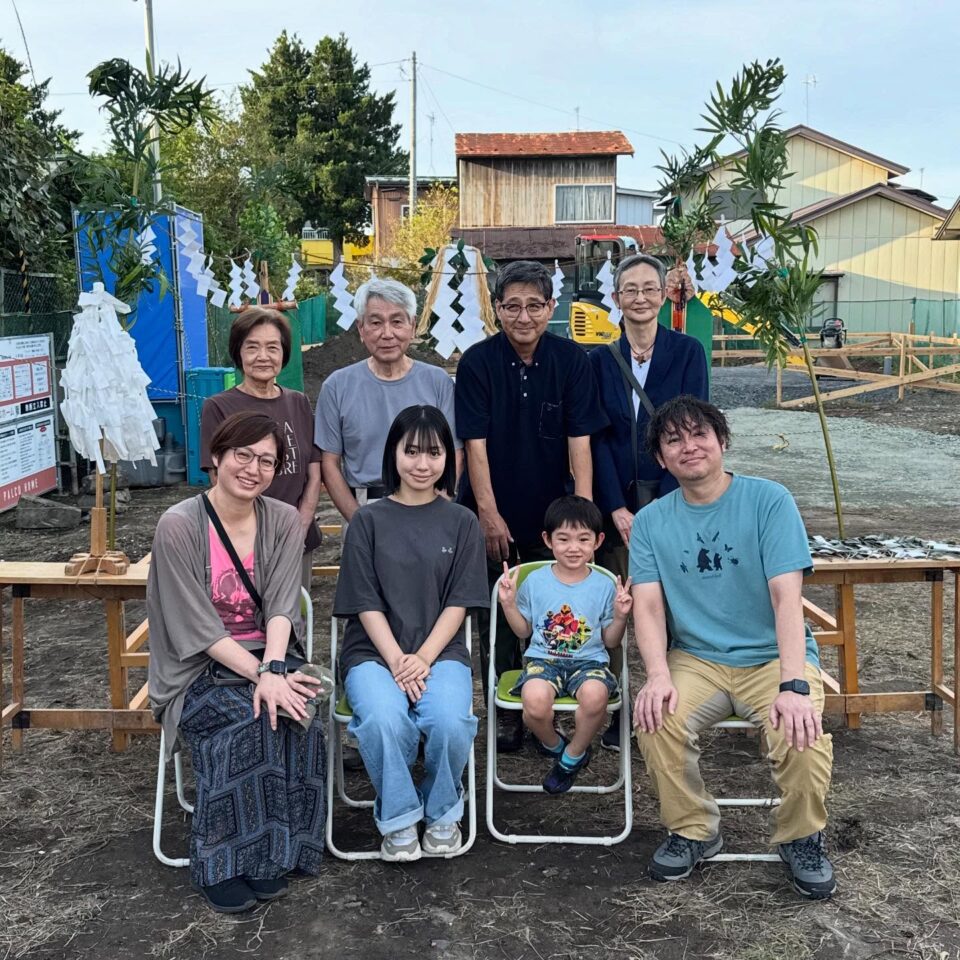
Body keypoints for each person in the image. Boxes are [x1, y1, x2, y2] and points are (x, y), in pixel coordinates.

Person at [629, 396, 835, 899]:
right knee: (657, 718)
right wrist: (656, 675)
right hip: (697, 659)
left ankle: (801, 836)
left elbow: (787, 597)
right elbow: (648, 607)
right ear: (661, 458)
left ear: (721, 441)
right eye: (672, 440)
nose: (688, 446)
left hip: (771, 657)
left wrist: (793, 682)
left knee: (800, 724)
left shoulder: (769, 500)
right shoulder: (651, 522)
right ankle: (693, 829)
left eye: (699, 434)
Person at [148, 412, 328, 913]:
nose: (253, 468)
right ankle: (221, 865)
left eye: (266, 460)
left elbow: (281, 607)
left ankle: (280, 852)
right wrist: (262, 678)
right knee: (247, 722)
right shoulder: (179, 525)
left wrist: (273, 670)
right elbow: (197, 629)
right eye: (243, 455)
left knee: (304, 716)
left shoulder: (284, 520)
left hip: (265, 656)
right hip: (196, 669)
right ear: (218, 457)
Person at [456, 260, 608, 752]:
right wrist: (487, 512)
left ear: (550, 309)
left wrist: (582, 515)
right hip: (495, 510)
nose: (524, 316)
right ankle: (505, 711)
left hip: (553, 516)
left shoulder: (572, 361)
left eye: (535, 306)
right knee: (499, 614)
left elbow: (579, 439)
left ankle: (560, 692)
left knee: (559, 608)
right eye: (512, 306)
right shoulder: (478, 362)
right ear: (497, 309)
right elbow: (474, 444)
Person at [333, 405, 488, 861]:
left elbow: (459, 601)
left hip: (441, 654)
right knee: (384, 720)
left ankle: (443, 811)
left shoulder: (462, 522)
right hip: (372, 655)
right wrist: (399, 659)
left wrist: (422, 658)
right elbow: (364, 602)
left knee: (449, 721)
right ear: (393, 454)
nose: (422, 464)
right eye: (412, 451)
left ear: (448, 459)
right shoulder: (368, 520)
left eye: (434, 453)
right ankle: (399, 817)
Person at [589, 254, 708, 752]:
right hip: (613, 497)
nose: (640, 298)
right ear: (616, 298)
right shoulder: (598, 359)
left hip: (672, 495)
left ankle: (678, 702)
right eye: (629, 289)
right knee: (614, 607)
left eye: (649, 288)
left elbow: (691, 428)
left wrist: (658, 504)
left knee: (674, 603)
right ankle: (615, 710)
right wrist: (615, 505)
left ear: (663, 294)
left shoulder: (688, 352)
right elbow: (594, 436)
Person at [498, 496, 632, 793]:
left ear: (597, 541)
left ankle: (573, 756)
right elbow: (523, 632)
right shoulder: (535, 582)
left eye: (583, 539)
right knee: (533, 704)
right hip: (543, 661)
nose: (574, 548)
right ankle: (556, 745)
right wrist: (508, 605)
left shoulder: (604, 584)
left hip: (590, 663)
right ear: (548, 539)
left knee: (596, 696)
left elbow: (610, 640)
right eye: (564, 539)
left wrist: (621, 617)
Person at [315, 277, 460, 524]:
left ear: (412, 326)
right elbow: (329, 463)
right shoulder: (337, 386)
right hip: (364, 507)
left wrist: (437, 508)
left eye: (397, 321)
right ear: (361, 329)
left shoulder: (438, 382)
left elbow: (456, 452)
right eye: (375, 322)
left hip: (428, 505)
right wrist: (359, 521)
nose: (387, 333)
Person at [200, 307, 322, 590]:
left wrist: (298, 527)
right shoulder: (219, 407)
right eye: (252, 347)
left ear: (284, 353)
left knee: (293, 622)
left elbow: (313, 473)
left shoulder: (299, 403)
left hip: (297, 537)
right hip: (243, 540)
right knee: (245, 623)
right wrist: (256, 536)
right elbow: (219, 479)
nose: (263, 356)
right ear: (238, 352)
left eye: (272, 347)